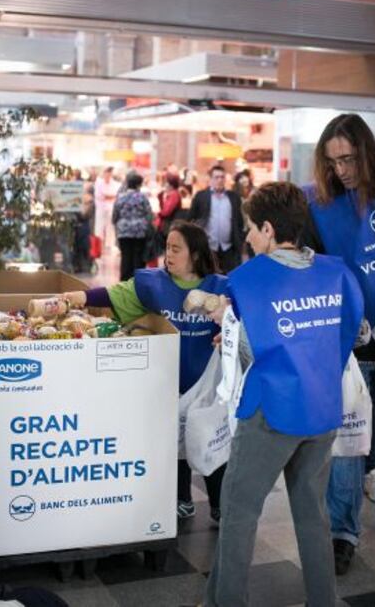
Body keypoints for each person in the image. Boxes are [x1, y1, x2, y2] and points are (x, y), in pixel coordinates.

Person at [183, 182, 363, 607]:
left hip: (271, 412)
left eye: (250, 227)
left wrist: (227, 325)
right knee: (313, 516)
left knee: (239, 514)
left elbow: (254, 350)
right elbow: (356, 334)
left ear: (268, 228)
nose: (246, 237)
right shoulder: (336, 272)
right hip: (322, 410)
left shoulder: (251, 280)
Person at [64, 221, 228, 523]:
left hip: (208, 382)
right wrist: (81, 298)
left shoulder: (221, 288)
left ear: (195, 254)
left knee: (210, 442)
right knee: (174, 440)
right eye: (167, 248)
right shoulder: (154, 284)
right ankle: (181, 499)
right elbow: (116, 295)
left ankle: (220, 503)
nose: (169, 254)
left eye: (176, 249)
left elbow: (243, 323)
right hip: (169, 379)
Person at [302, 113, 375, 573]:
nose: (341, 170)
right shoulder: (319, 203)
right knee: (347, 442)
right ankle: (341, 533)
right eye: (333, 161)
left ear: (367, 152)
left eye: (349, 159)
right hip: (349, 340)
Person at [188, 164, 244, 274]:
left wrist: (240, 239)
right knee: (208, 277)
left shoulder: (233, 197)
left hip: (229, 248)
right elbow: (191, 218)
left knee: (229, 278)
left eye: (222, 177)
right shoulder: (201, 196)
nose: (219, 180)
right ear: (210, 179)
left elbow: (239, 221)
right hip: (208, 247)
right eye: (216, 177)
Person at [112, 171, 153, 281]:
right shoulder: (142, 197)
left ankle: (124, 282)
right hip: (140, 232)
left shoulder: (120, 197)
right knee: (138, 258)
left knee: (125, 257)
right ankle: (137, 282)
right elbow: (149, 214)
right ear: (138, 185)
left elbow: (115, 215)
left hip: (123, 232)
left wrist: (117, 225)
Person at [94, 166, 119, 251]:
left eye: (110, 172)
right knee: (99, 227)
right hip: (100, 208)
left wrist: (108, 196)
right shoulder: (99, 183)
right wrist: (109, 196)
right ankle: (98, 245)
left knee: (110, 227)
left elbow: (116, 195)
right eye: (107, 172)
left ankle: (109, 245)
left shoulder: (115, 184)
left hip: (111, 209)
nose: (108, 174)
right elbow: (99, 196)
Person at [156, 173, 182, 246]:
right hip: (168, 224)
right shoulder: (172, 194)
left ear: (171, 185)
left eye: (166, 183)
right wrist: (160, 197)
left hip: (168, 225)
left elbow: (166, 212)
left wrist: (158, 214)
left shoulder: (173, 195)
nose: (164, 185)